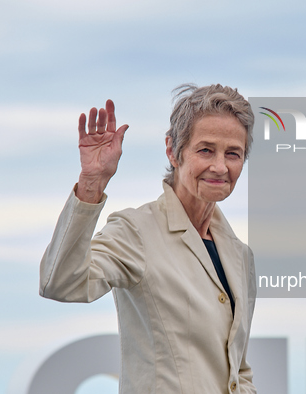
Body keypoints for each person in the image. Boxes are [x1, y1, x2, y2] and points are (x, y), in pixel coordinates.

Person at [39, 84, 257, 394]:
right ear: (173, 151)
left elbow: (238, 369)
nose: (220, 166)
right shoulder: (136, 231)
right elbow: (60, 282)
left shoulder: (240, 256)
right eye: (206, 149)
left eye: (233, 153)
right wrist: (91, 184)